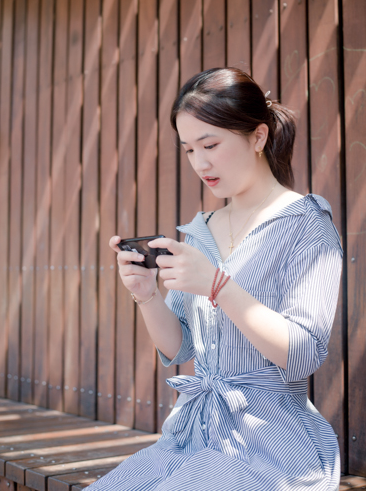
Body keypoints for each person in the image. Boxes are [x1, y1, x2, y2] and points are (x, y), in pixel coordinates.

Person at [86, 67, 342, 491]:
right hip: (190, 434)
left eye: (210, 144)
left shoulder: (305, 224)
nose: (200, 162)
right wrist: (147, 296)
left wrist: (217, 286)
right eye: (188, 150)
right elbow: (182, 345)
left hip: (269, 444)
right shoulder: (199, 229)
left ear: (258, 137)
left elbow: (303, 355)